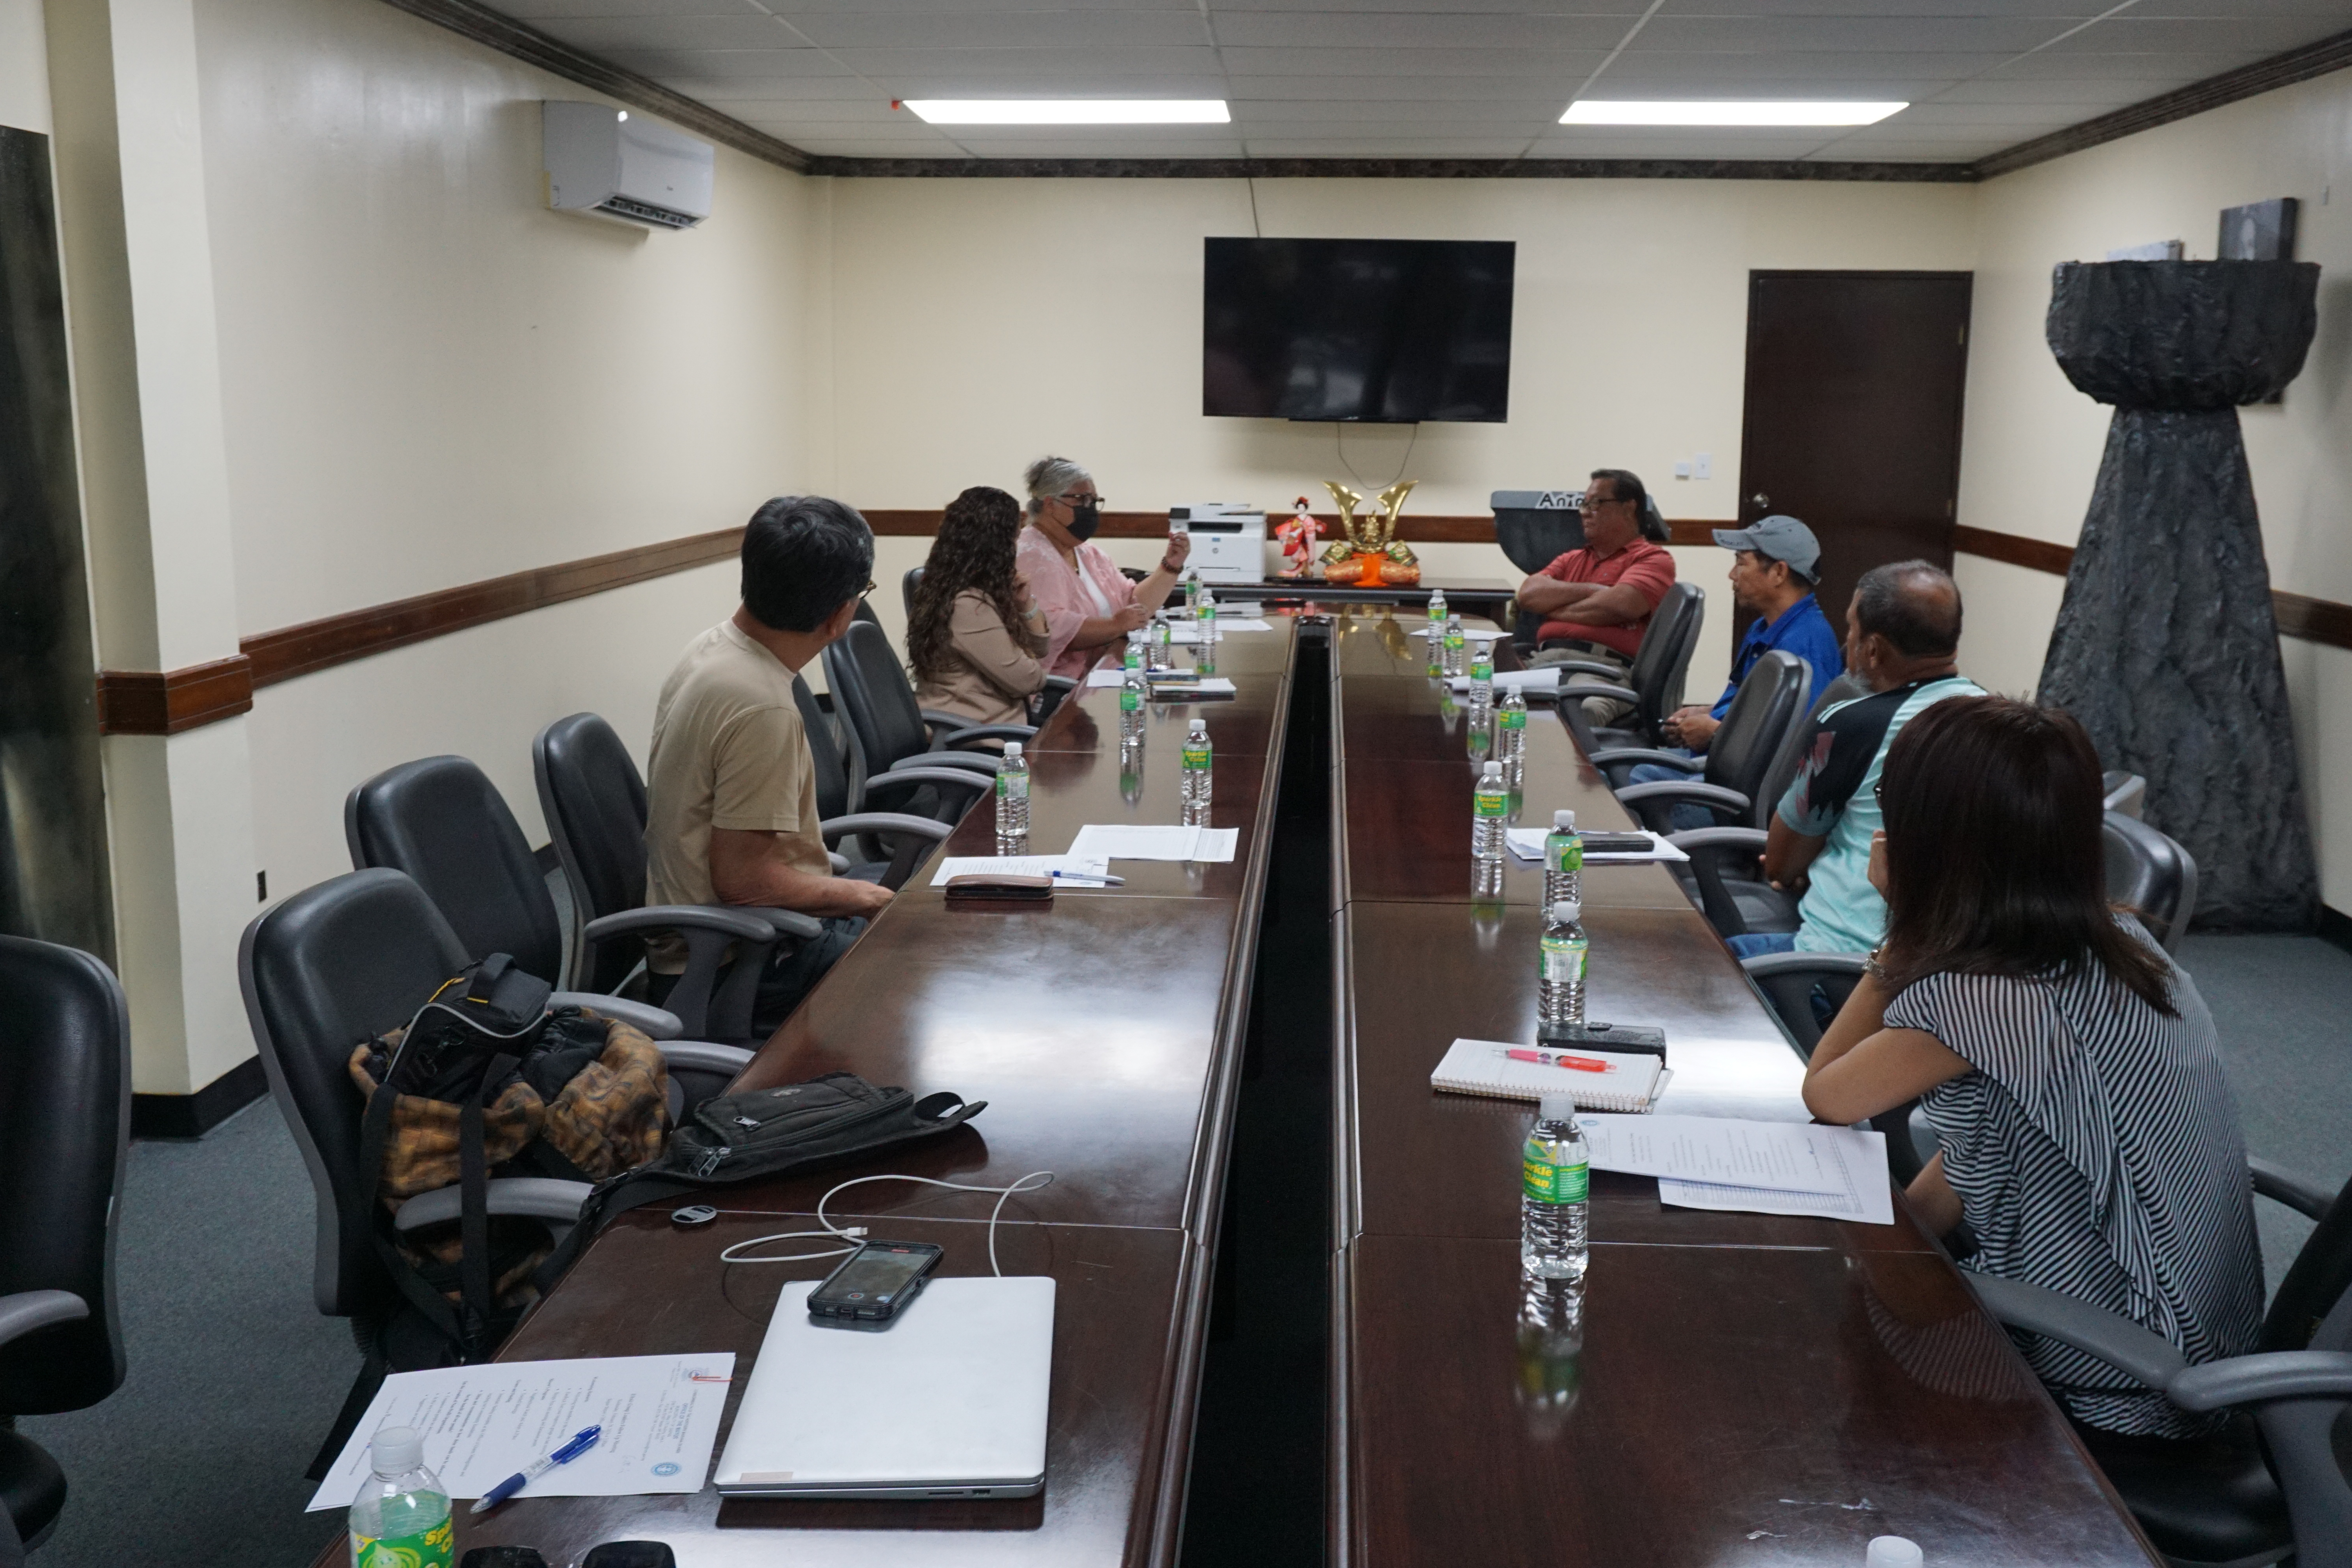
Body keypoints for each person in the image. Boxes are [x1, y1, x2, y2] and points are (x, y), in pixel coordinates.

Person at [1800, 695, 2261, 1440]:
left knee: (1811, 1389)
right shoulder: (2125, 942)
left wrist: (1907, 926)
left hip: (2119, 1386)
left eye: (1893, 801)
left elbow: (1829, 1092)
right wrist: (1904, 1240)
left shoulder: (1989, 995)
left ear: (1935, 838)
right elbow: (2012, 1136)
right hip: (2197, 1344)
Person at [643, 495, 894, 1035]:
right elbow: (743, 882)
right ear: (840, 614)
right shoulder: (761, 706)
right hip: (737, 964)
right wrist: (867, 897)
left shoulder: (713, 648)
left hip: (733, 940)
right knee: (919, 972)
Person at [1732, 559, 1980, 960]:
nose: (1847, 642)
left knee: (1703, 965)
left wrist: (1801, 863)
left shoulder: (1854, 723)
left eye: (1852, 628)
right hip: (1945, 978)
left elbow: (1780, 864)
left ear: (1873, 649)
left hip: (1836, 966)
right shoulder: (1997, 722)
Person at [1623, 514, 1845, 830]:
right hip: (1723, 766)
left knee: (1635, 784)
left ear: (1779, 572)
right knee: (1625, 773)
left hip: (1743, 794)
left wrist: (1716, 733)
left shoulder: (1806, 647)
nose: (1732, 574)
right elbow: (1758, 711)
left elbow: (1794, 751)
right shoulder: (1764, 627)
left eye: (1741, 563)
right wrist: (1709, 712)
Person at [1513, 468, 1677, 724]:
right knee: (1489, 699)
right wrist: (1594, 590)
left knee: (1584, 711)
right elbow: (1529, 595)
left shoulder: (1653, 559)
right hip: (1544, 662)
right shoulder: (1571, 560)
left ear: (1629, 508)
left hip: (1604, 670)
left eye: (1596, 503)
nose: (1586, 512)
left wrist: (1554, 608)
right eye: (1584, 504)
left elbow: (1621, 605)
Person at [1014, 455, 1191, 679]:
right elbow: (1051, 629)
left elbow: (1133, 605)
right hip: (1059, 686)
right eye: (1083, 500)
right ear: (1051, 505)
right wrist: (1115, 625)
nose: (1091, 510)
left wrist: (1170, 566)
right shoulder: (1032, 555)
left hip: (1104, 673)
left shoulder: (1087, 553)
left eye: (1095, 501)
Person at [909, 485, 1049, 728]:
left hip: (994, 724)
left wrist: (1025, 604)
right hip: (974, 734)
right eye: (1015, 538)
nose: (1016, 548)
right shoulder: (966, 606)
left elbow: (1042, 647)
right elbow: (1028, 680)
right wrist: (1027, 656)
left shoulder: (971, 588)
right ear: (997, 545)